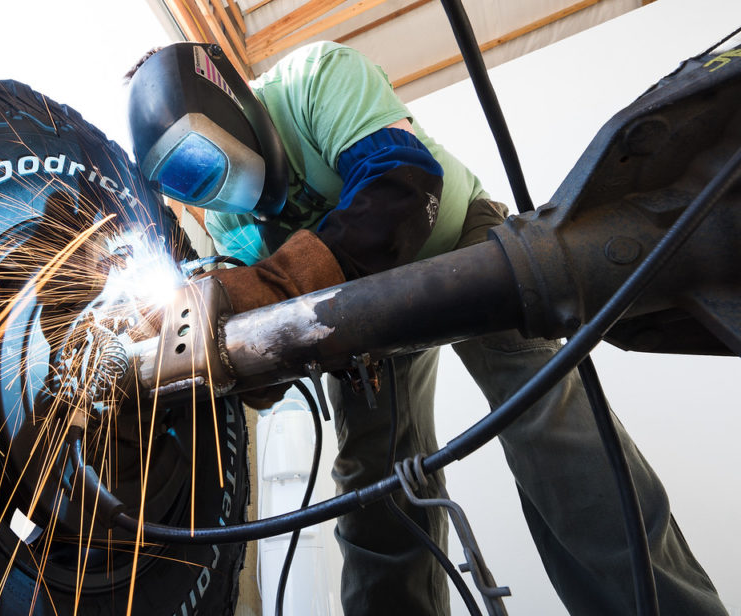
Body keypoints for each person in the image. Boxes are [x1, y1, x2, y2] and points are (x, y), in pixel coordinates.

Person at [126, 41, 725, 615]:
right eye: (188, 182)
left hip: (460, 238)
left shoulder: (314, 79)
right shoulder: (228, 221)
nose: (213, 192)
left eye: (204, 161)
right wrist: (238, 355)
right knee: (373, 484)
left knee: (550, 423)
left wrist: (280, 284)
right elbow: (268, 322)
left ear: (226, 102)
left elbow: (404, 184)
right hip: (353, 302)